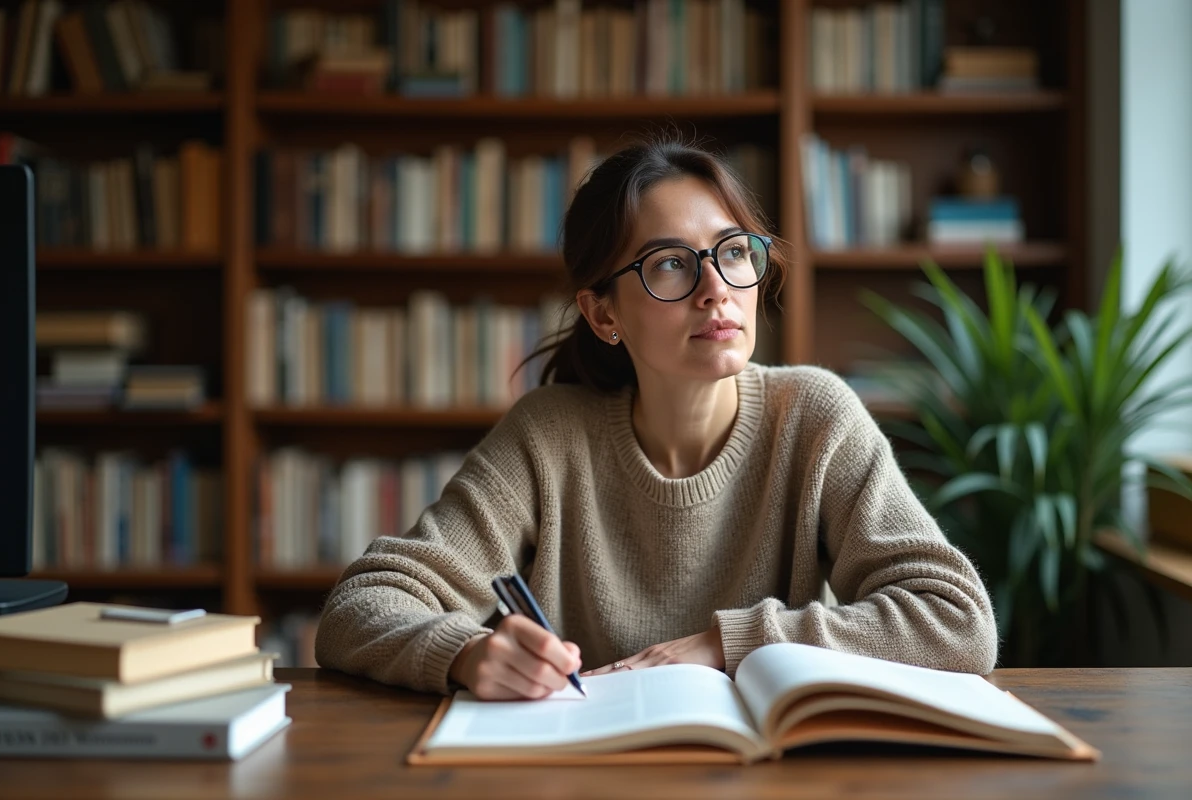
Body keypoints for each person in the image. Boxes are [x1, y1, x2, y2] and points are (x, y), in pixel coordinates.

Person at [315, 134, 998, 700]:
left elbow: (958, 621)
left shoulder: (815, 418)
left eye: (734, 253)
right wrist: (466, 653)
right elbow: (362, 607)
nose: (715, 291)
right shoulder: (549, 437)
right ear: (603, 313)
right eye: (670, 265)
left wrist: (722, 645)